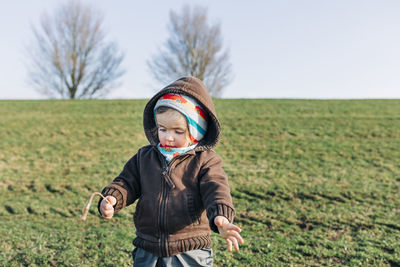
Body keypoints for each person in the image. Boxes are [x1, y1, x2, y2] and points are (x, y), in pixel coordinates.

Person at [98, 77, 243, 266]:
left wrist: (220, 217)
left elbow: (216, 190)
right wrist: (113, 198)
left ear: (195, 131)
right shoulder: (145, 156)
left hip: (190, 250)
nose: (169, 137)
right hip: (147, 248)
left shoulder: (205, 160)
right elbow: (126, 182)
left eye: (178, 131)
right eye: (163, 129)